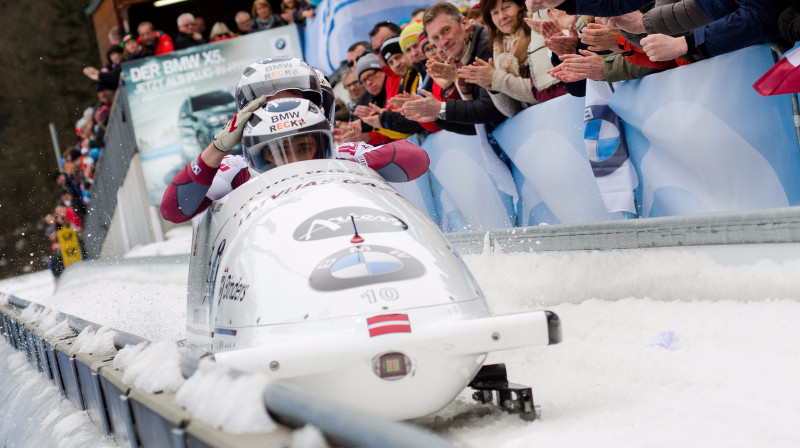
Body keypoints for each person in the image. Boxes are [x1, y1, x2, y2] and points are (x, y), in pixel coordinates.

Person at [161, 59, 430, 223]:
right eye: (274, 153)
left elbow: (416, 159)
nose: (285, 111)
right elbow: (173, 210)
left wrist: (356, 163)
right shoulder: (233, 170)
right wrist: (217, 148)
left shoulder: (342, 153)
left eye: (304, 147)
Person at [401, 2, 507, 135]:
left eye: (446, 30)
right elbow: (479, 126)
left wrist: (440, 108)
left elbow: (492, 110)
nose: (443, 42)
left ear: (464, 23)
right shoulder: (461, 57)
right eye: (435, 38)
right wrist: (438, 117)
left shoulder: (486, 45)